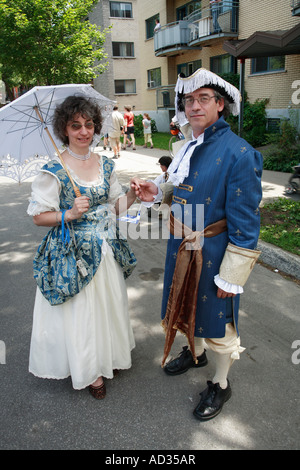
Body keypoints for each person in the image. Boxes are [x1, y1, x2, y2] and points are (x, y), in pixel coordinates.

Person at [131, 68, 262, 421]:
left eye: (203, 99)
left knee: (218, 321)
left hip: (215, 252)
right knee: (187, 305)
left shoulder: (240, 153)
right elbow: (181, 187)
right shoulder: (188, 144)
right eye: (189, 100)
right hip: (182, 244)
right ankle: (195, 353)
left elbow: (247, 223)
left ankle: (220, 383)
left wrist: (232, 275)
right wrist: (157, 191)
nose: (194, 106)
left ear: (221, 105)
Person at [27, 95, 137, 399]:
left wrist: (135, 196)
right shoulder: (54, 169)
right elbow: (39, 217)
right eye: (75, 125)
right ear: (64, 129)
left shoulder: (105, 163)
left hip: (105, 247)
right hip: (71, 252)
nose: (83, 131)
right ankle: (90, 371)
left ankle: (109, 357)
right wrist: (70, 213)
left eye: (89, 124)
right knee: (83, 312)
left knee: (107, 305)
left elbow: (116, 208)